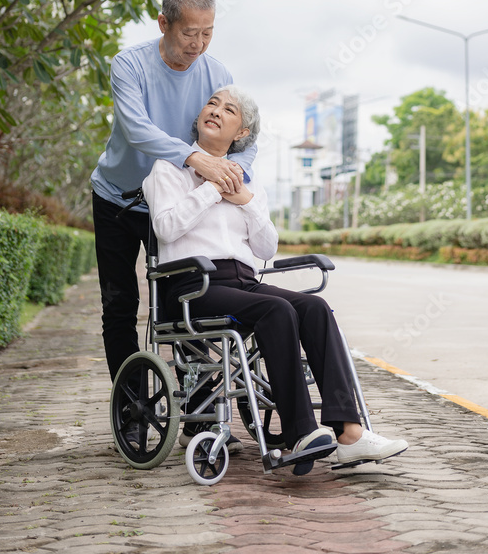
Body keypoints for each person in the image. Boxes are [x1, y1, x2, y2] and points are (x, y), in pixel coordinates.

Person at [142, 85, 409, 474]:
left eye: (228, 110)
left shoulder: (250, 182)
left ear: (242, 134)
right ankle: (301, 432)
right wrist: (213, 190)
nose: (215, 110)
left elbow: (267, 248)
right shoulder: (168, 170)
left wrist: (244, 200)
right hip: (190, 287)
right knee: (276, 309)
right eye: (212, 104)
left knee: (315, 307)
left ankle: (351, 434)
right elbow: (166, 228)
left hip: (244, 282)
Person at [90, 0, 257, 390]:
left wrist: (233, 179)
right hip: (117, 200)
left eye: (208, 32)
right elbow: (136, 130)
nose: (198, 44)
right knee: (120, 305)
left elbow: (243, 141)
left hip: (178, 204)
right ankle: (132, 410)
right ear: (164, 23)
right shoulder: (129, 65)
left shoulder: (218, 74)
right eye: (189, 33)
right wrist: (195, 158)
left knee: (183, 302)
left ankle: (198, 416)